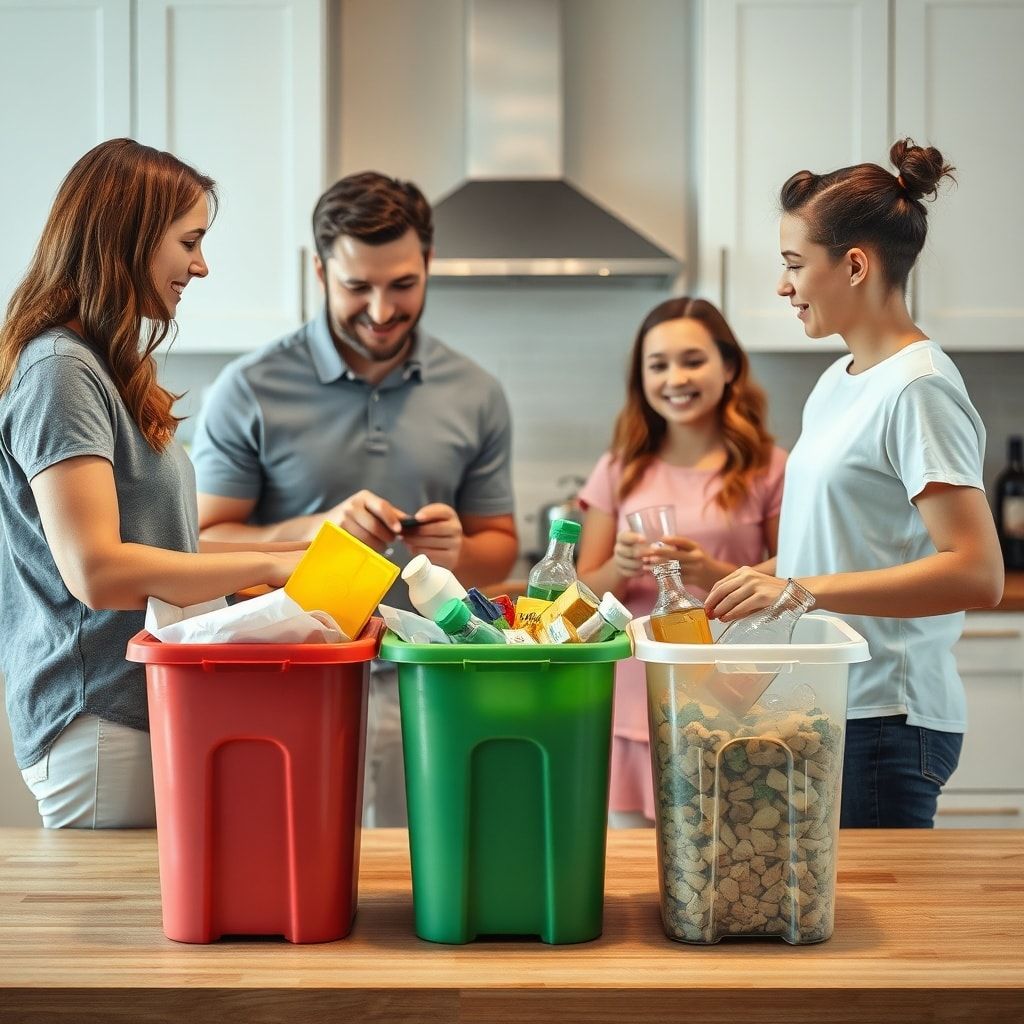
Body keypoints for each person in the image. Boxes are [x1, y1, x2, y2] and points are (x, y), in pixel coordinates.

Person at [189, 171, 518, 826]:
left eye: (402, 285)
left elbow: (499, 548)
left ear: (427, 263)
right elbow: (203, 541)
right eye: (356, 287)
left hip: (430, 681)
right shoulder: (248, 387)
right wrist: (316, 530)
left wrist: (457, 552)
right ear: (320, 271)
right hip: (287, 681)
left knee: (413, 879)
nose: (380, 309)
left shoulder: (475, 392)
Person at [0, 139, 306, 829]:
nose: (201, 266)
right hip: (102, 716)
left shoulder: (103, 368)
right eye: (189, 241)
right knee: (126, 935)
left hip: (143, 708)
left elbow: (167, 547)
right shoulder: (58, 370)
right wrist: (270, 563)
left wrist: (290, 562)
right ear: (129, 237)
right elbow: (98, 570)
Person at [705, 139, 1005, 828]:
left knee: (873, 930)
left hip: (884, 719)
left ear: (856, 265)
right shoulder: (837, 382)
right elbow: (843, 546)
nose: (783, 286)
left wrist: (799, 590)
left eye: (792, 265)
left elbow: (977, 572)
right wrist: (762, 582)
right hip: (825, 699)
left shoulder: (919, 389)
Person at [576, 297, 787, 827]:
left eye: (693, 360)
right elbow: (575, 598)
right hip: (633, 700)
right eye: (659, 364)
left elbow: (797, 573)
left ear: (729, 366)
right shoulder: (619, 469)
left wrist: (711, 573)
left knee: (731, 849)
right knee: (626, 872)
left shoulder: (769, 467)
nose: (676, 377)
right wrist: (621, 566)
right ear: (641, 378)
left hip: (736, 695)